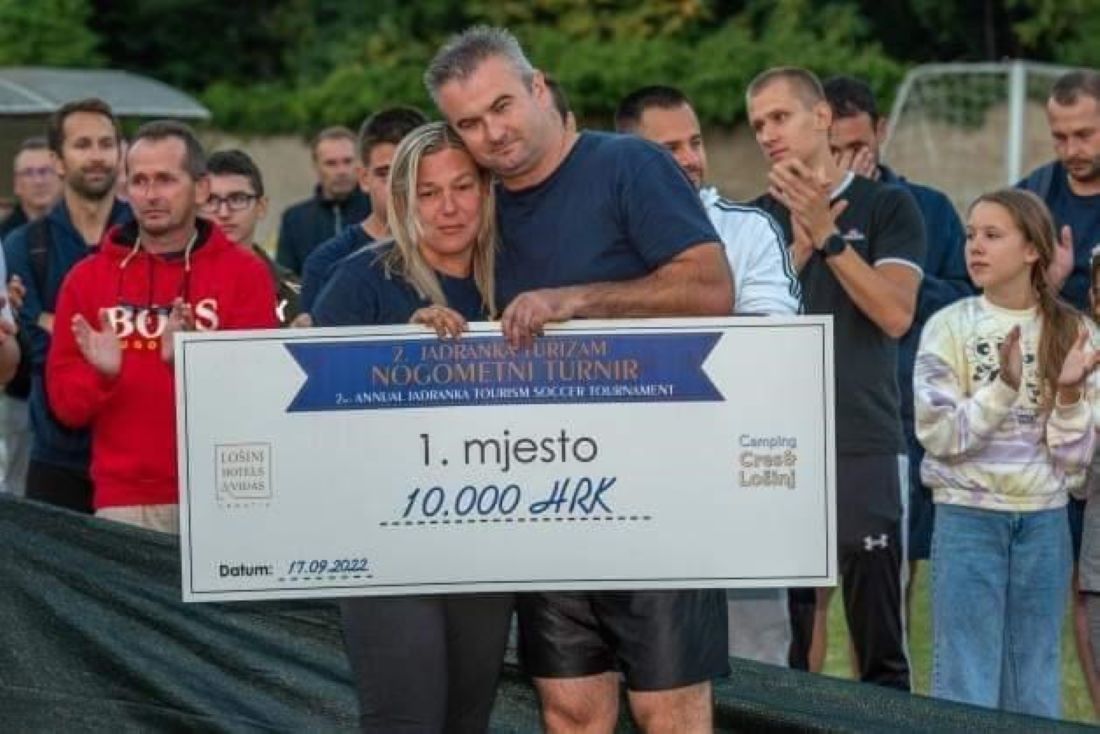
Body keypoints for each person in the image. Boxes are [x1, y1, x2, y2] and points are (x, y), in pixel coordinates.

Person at [427, 26, 733, 732]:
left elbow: (710, 288)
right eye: (468, 123)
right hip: (541, 496)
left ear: (538, 88)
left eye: (502, 106)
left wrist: (575, 302)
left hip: (657, 498)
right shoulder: (476, 204)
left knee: (668, 710)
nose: (491, 133)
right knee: (570, 710)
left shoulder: (628, 164)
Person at [313, 121, 513, 733]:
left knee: (466, 719)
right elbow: (314, 417)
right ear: (402, 201)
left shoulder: (517, 277)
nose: (449, 207)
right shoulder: (361, 282)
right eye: (429, 192)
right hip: (386, 542)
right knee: (407, 719)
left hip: (488, 536)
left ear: (487, 189)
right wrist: (397, 353)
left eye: (462, 186)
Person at [748, 67, 924, 690]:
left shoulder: (888, 205)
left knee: (880, 640)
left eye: (780, 117)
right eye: (758, 124)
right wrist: (796, 250)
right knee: (790, 635)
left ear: (821, 117)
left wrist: (827, 235)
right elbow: (743, 334)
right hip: (776, 447)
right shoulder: (752, 221)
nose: (767, 134)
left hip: (863, 439)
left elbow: (895, 314)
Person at [615, 83, 797, 667]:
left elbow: (772, 346)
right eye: (670, 149)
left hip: (735, 473)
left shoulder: (749, 230)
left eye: (695, 142)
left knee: (756, 662)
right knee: (644, 663)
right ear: (633, 160)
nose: (692, 158)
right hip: (631, 484)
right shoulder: (603, 238)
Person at [916, 188, 1098, 717]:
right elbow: (939, 436)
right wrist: (1002, 389)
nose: (975, 246)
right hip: (967, 520)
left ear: (1032, 250)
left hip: (1044, 525)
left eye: (992, 235)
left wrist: (1068, 393)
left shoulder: (1076, 333)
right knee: (965, 680)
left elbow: (1076, 463)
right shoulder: (948, 327)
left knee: (1033, 679)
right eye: (971, 234)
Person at [45, 121, 276, 533]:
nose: (151, 195)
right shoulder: (86, 279)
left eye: (166, 179)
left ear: (200, 189)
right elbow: (66, 408)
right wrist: (102, 375)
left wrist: (190, 366)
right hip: (126, 501)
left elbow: (261, 399)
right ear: (125, 189)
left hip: (224, 492)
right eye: (140, 181)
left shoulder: (246, 275)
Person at [823, 74, 974, 658]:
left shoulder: (926, 208)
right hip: (826, 409)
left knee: (893, 570)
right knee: (811, 585)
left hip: (901, 409)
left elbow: (962, 299)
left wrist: (896, 273)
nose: (848, 161)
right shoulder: (796, 212)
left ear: (881, 131)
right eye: (834, 149)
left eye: (858, 146)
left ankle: (886, 692)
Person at [1018, 69, 1100, 710]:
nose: (1071, 149)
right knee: (1082, 581)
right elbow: (998, 302)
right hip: (1062, 413)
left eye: (1085, 134)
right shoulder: (1033, 200)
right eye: (1060, 136)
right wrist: (1051, 284)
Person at [3, 99, 131, 513]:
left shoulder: (148, 238)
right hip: (56, 457)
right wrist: (122, 336)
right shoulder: (26, 245)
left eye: (106, 144)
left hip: (138, 458)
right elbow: (35, 346)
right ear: (58, 161)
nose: (96, 156)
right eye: (82, 145)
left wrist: (53, 321)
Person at [297, 107, 428, 321]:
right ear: (364, 178)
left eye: (411, 172)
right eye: (386, 174)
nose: (399, 186)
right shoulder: (326, 263)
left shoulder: (466, 253)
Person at [203, 149, 302, 326]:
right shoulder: (174, 287)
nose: (224, 213)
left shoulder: (294, 293)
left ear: (261, 207)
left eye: (237, 199)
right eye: (211, 201)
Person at [276, 126, 372, 276]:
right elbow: (286, 278)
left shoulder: (377, 210)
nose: (341, 171)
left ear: (360, 163)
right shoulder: (295, 220)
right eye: (331, 163)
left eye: (347, 161)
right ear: (316, 166)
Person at [0, 137, 62, 239]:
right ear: (16, 184)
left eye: (45, 171)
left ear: (62, 177)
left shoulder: (83, 231)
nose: (38, 181)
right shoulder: (4, 240)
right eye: (28, 173)